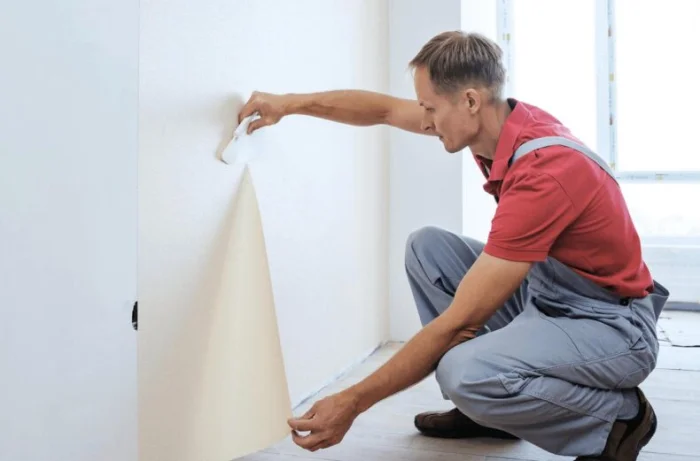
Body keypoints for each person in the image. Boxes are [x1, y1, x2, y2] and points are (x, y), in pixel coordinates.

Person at [237, 31, 669, 461]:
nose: (424, 121)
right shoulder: (500, 124)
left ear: (470, 101)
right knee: (427, 249)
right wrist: (288, 104)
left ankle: (618, 419)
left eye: (430, 108)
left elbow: (459, 323)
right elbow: (384, 110)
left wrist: (352, 401)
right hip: (550, 296)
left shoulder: (543, 172)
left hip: (611, 326)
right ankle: (489, 415)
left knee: (465, 372)